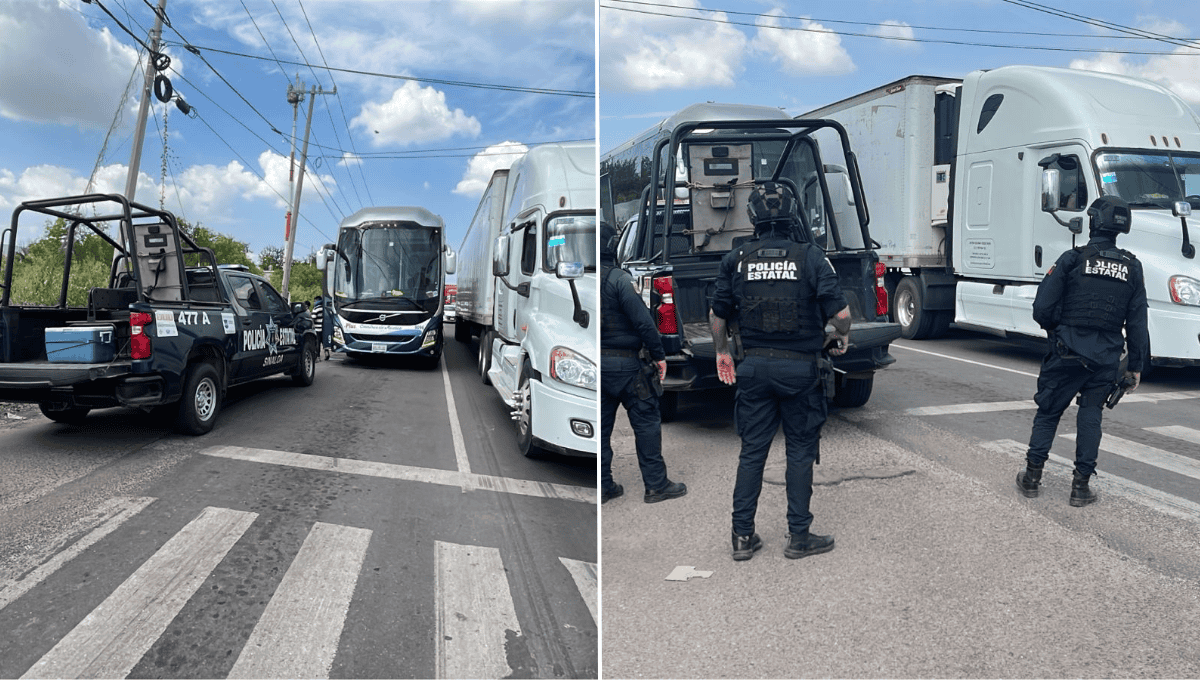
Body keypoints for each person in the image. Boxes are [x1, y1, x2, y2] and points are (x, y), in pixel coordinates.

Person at [709, 182, 851, 561]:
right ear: (793, 214)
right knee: (800, 452)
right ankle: (799, 536)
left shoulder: (735, 259)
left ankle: (742, 537)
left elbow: (718, 315)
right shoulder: (811, 257)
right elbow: (842, 316)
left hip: (754, 367)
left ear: (753, 217)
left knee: (752, 452)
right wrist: (840, 336)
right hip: (801, 371)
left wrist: (723, 353)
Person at [1017, 194, 1149, 506]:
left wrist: (1057, 332)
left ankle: (1032, 478)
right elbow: (1138, 324)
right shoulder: (1132, 267)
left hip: (1066, 353)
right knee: (1091, 415)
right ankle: (1080, 488)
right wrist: (1136, 367)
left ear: (1092, 223)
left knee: (1048, 413)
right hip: (1105, 359)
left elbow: (1042, 309)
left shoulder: (1072, 260)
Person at [600, 221, 687, 505]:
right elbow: (644, 323)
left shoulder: (579, 281)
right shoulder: (618, 280)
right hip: (627, 368)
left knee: (600, 429)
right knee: (647, 424)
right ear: (612, 246)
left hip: (594, 366)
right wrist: (659, 354)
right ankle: (656, 485)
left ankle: (603, 486)